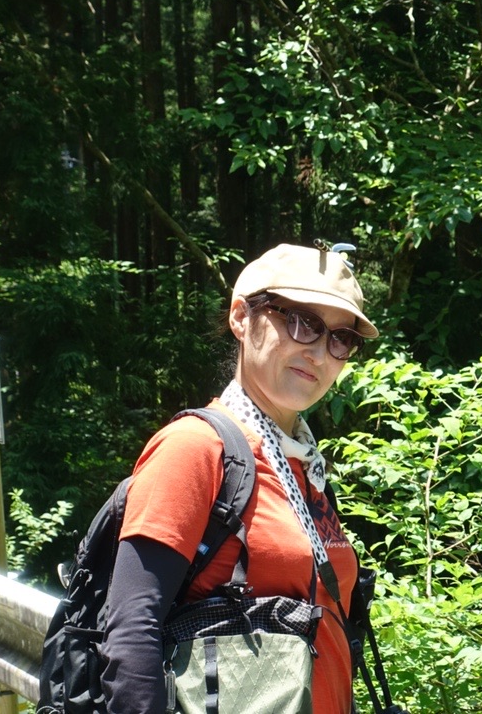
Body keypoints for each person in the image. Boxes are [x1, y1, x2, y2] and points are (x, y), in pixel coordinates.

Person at [100, 241, 379, 714]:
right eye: (301, 321)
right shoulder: (196, 449)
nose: (318, 352)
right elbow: (130, 631)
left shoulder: (305, 468)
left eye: (340, 337)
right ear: (240, 316)